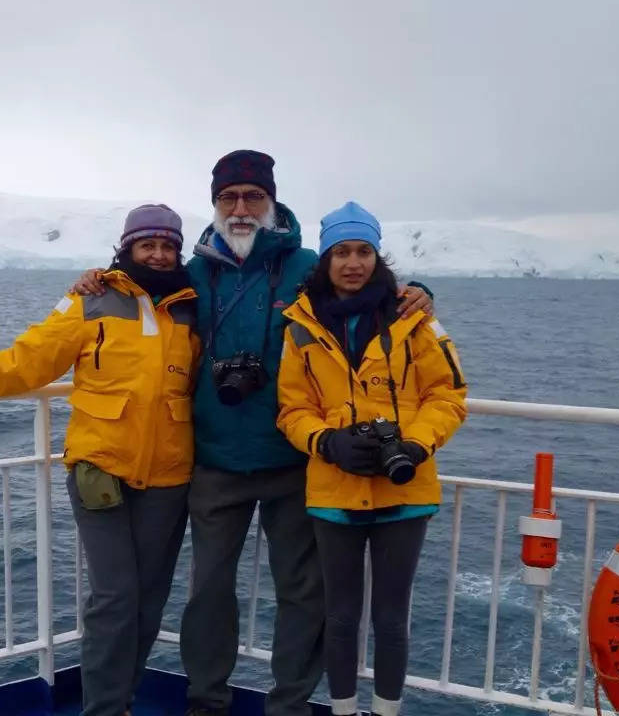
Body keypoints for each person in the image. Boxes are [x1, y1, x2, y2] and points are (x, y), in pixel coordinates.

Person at [71, 151, 433, 716]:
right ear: (215, 205)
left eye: (252, 197)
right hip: (214, 460)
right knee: (209, 594)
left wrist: (420, 292)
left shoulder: (307, 267)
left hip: (295, 460)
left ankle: (289, 704)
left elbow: (366, 289)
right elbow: (136, 290)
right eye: (228, 198)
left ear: (271, 201)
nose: (240, 209)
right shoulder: (190, 275)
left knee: (302, 594)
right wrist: (95, 279)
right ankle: (206, 701)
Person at [0, 204, 199, 716]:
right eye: (147, 244)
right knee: (114, 598)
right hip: (100, 469)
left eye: (167, 245)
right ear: (127, 248)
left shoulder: (193, 307)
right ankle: (103, 708)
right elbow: (26, 363)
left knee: (150, 599)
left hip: (170, 474)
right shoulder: (90, 299)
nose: (157, 253)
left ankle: (124, 699)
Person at [276, 201, 467, 716]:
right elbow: (293, 408)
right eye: (342, 252)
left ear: (377, 257)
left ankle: (385, 712)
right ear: (326, 259)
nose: (353, 263)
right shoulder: (300, 326)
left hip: (404, 488)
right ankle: (342, 710)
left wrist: (416, 444)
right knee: (338, 617)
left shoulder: (416, 320)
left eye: (363, 251)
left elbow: (447, 396)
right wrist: (326, 442)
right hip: (334, 490)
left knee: (390, 617)